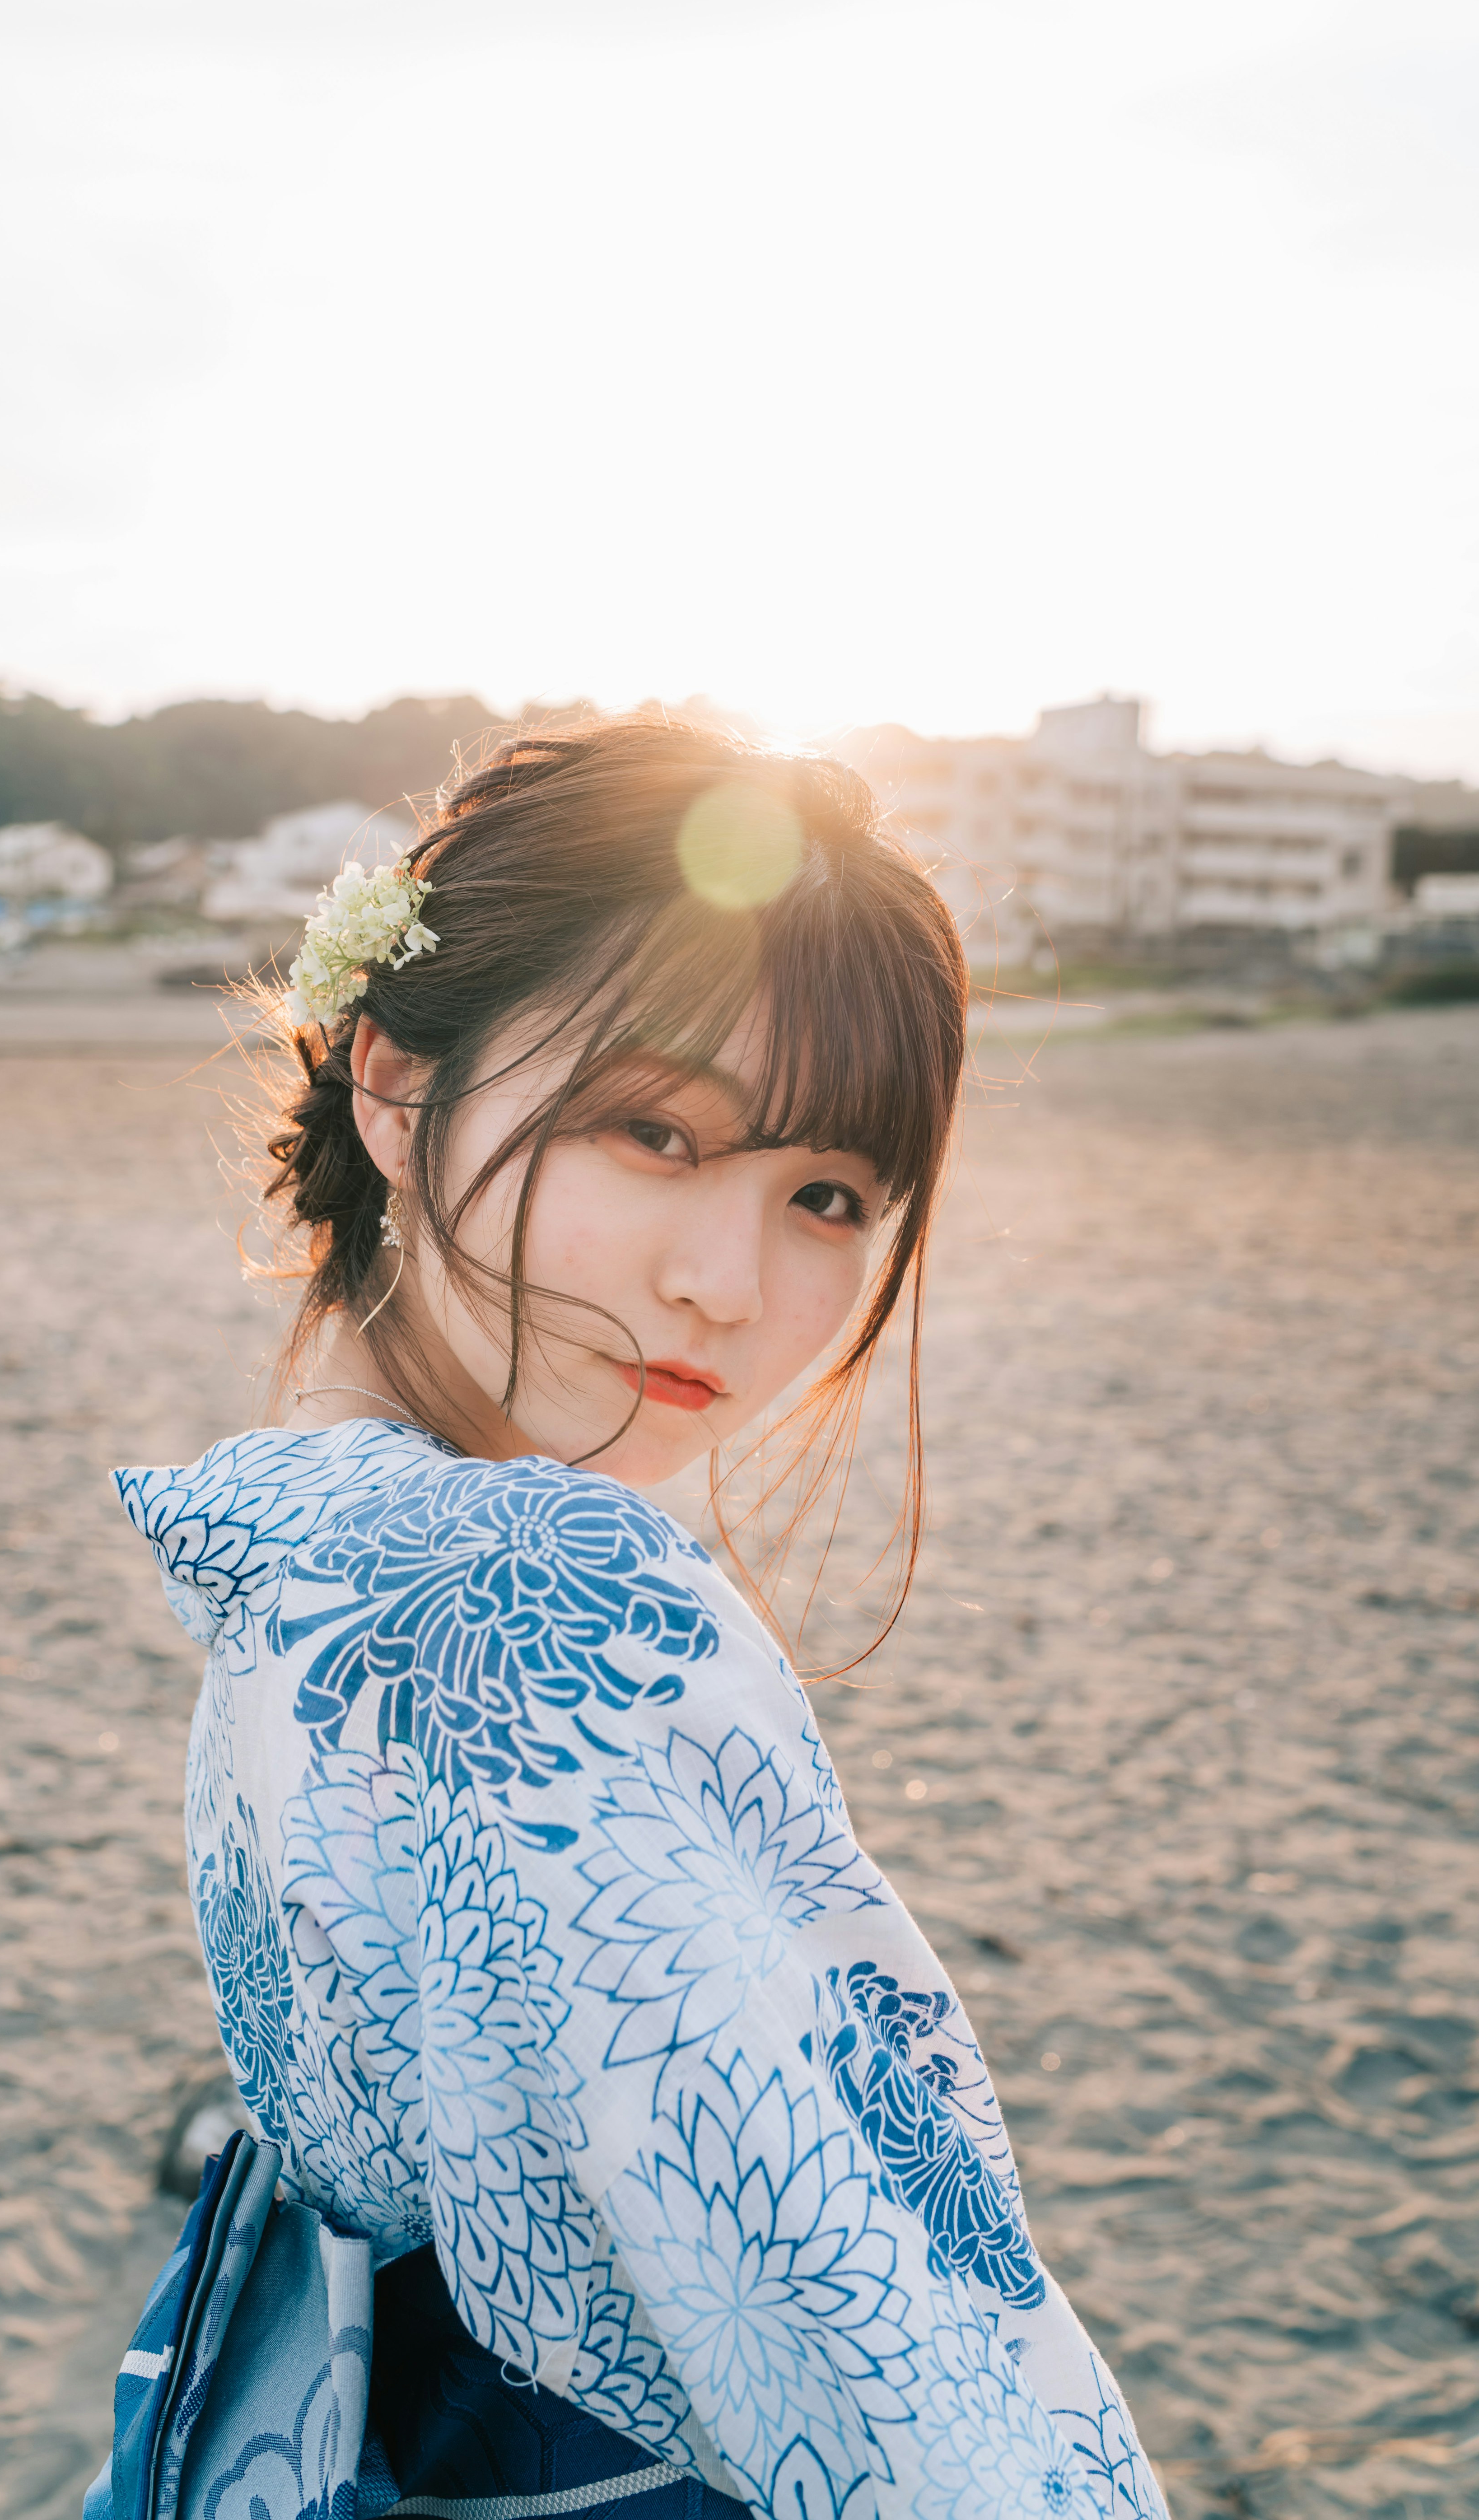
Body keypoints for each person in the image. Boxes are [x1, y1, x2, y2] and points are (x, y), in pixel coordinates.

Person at [116, 718, 1166, 2520]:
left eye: (828, 1196)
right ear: (394, 1082)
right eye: (656, 1131)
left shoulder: (292, 1528)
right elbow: (867, 2361)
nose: (732, 1285)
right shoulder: (527, 1593)